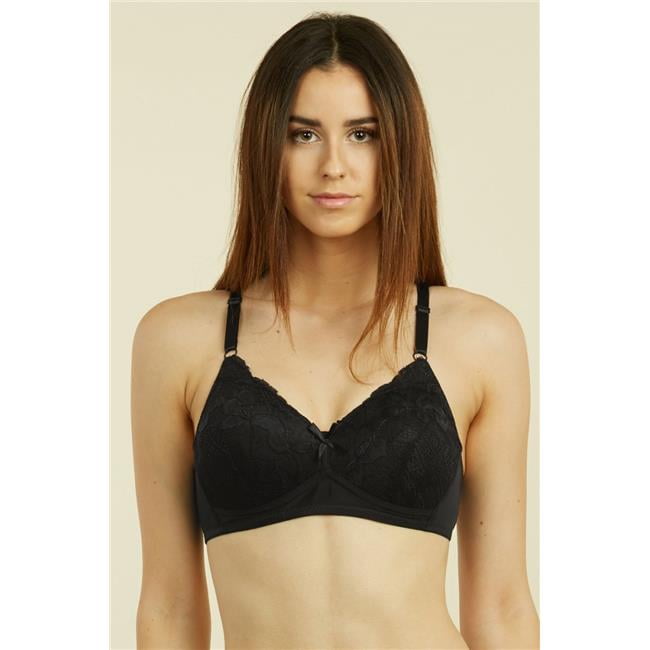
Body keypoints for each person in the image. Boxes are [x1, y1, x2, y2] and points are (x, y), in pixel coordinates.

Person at [131, 11, 539, 650]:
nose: (333, 165)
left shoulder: (479, 339)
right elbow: (168, 607)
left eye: (362, 134)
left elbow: (504, 608)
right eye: (303, 134)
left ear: (399, 146)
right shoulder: (179, 341)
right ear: (266, 147)